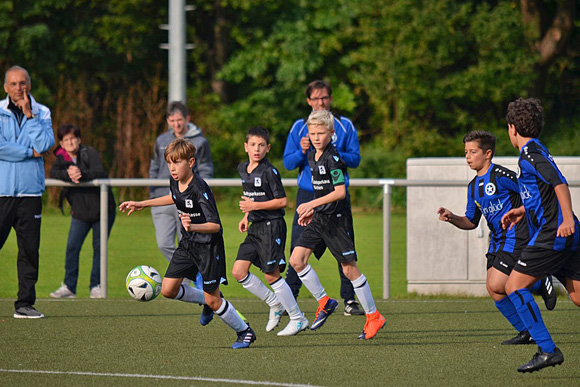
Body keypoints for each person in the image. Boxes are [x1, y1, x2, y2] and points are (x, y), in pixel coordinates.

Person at [120, 138, 255, 349]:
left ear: (191, 162)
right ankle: (206, 300)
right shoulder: (175, 180)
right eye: (169, 163)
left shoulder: (200, 188)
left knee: (214, 300)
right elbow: (175, 197)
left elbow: (215, 226)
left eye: (177, 163)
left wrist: (193, 226)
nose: (172, 168)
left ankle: (244, 331)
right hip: (188, 244)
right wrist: (142, 204)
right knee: (168, 290)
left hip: (208, 248)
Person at [437, 130, 557, 346]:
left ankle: (538, 281)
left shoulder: (503, 176)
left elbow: (530, 194)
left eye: (473, 152)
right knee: (493, 289)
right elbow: (471, 222)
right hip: (498, 241)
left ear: (488, 154)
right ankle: (526, 330)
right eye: (466, 152)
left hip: (517, 235)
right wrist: (452, 217)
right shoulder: (473, 187)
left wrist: (523, 214)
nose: (468, 157)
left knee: (498, 282)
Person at [289, 110, 386, 339]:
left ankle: (374, 316)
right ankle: (324, 301)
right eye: (312, 133)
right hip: (320, 218)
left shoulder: (333, 158)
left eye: (321, 133)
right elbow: (321, 189)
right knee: (296, 260)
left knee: (349, 268)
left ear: (331, 134)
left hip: (337, 221)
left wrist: (312, 204)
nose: (316, 137)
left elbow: (340, 192)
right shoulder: (311, 156)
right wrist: (313, 212)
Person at [501, 98, 580, 372]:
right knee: (579, 296)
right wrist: (522, 210)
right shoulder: (537, 148)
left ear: (512, 128)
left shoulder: (530, 154)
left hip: (553, 233)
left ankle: (547, 350)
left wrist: (566, 218)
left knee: (513, 286)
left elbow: (559, 183)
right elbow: (543, 190)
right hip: (566, 231)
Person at [283, 79, 364, 316]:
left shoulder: (344, 125)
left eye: (325, 97)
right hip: (308, 193)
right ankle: (291, 297)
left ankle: (349, 300)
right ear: (308, 101)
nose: (321, 102)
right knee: (298, 246)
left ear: (330, 99)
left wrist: (331, 153)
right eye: (316, 98)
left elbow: (356, 159)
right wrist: (304, 150)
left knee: (344, 248)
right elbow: (288, 162)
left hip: (336, 195)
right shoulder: (299, 127)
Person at [232, 126, 309, 336]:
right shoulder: (242, 168)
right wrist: (246, 216)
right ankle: (274, 303)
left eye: (262, 145)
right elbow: (252, 198)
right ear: (246, 147)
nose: (257, 149)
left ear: (268, 148)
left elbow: (282, 201)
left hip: (272, 227)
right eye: (253, 145)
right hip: (255, 227)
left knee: (271, 275)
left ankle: (297, 317)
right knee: (238, 271)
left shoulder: (269, 171)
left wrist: (253, 208)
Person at [0, 65, 54, 319]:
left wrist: (30, 117)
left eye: (23, 83)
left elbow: (44, 144)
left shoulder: (42, 112)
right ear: (6, 87)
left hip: (31, 194)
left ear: (29, 85)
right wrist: (28, 153)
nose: (19, 88)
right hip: (2, 193)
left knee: (30, 251)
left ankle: (24, 304)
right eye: (13, 83)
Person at [149, 101, 213, 287]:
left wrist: (199, 191)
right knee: (163, 243)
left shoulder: (199, 142)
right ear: (168, 120)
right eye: (172, 120)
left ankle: (194, 282)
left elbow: (206, 168)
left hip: (189, 201)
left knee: (189, 243)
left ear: (187, 119)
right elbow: (154, 165)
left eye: (179, 120)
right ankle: (188, 273)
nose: (176, 124)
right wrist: (152, 192)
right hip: (163, 197)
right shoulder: (161, 140)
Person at [49, 124, 116, 299]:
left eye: (73, 138)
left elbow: (99, 171)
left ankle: (96, 286)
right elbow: (54, 173)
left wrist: (81, 173)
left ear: (79, 139)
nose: (70, 142)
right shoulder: (61, 158)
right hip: (80, 213)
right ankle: (69, 287)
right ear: (61, 144)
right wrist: (69, 173)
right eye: (66, 140)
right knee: (72, 248)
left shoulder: (90, 152)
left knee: (98, 248)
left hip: (103, 211)